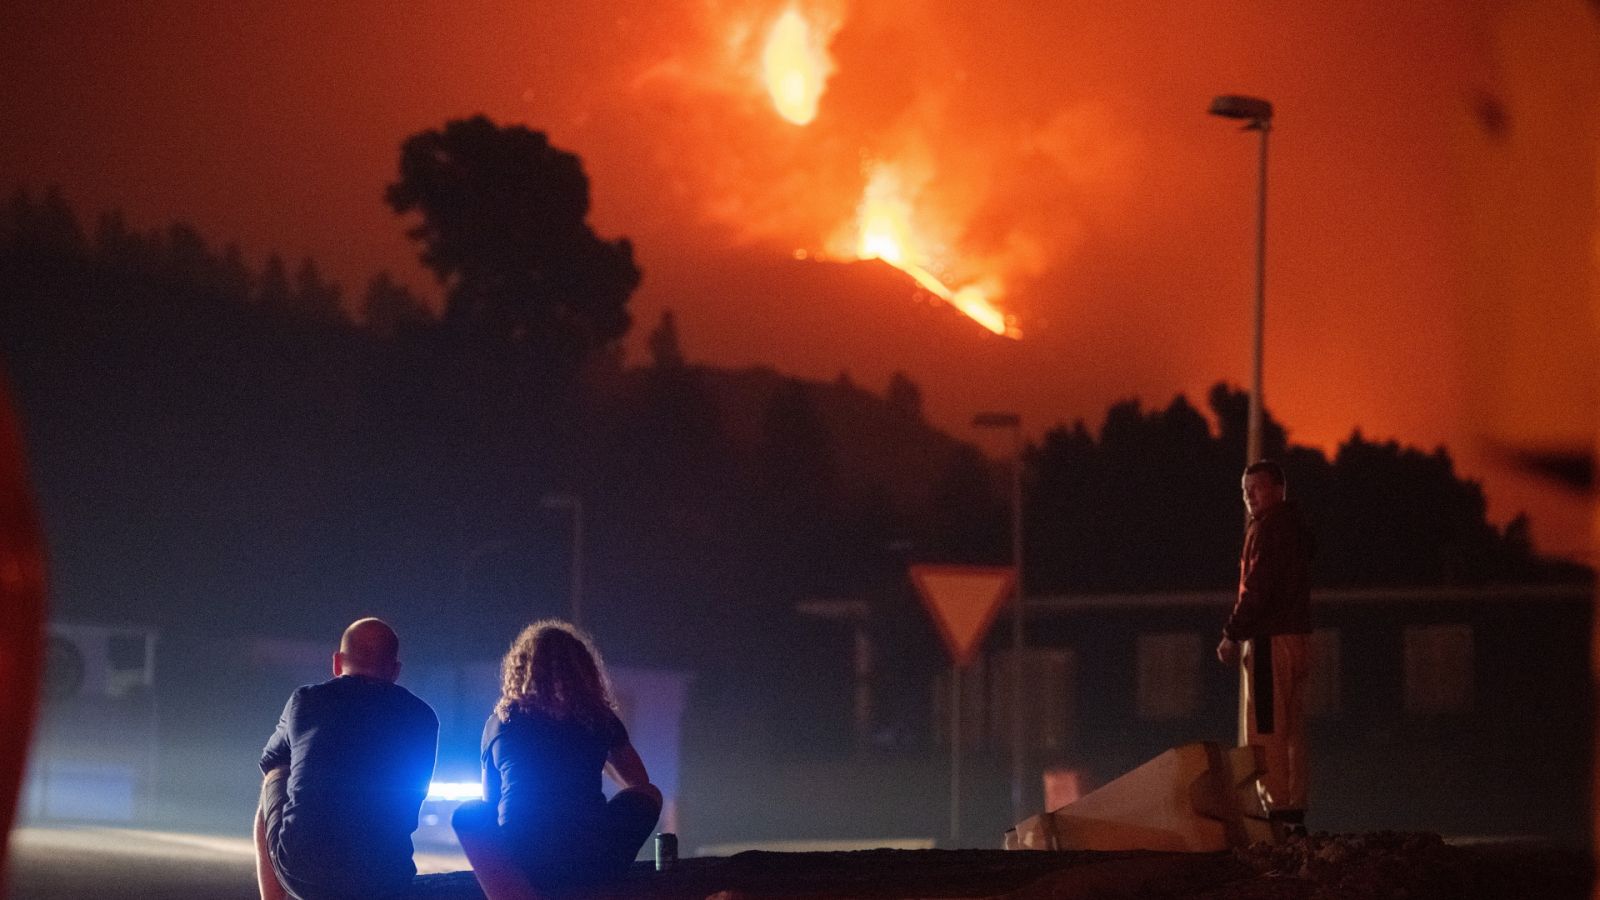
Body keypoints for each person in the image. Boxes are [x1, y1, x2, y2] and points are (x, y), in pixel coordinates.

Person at [452, 620, 661, 895]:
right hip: (588, 855)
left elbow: (491, 803)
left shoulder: (499, 723)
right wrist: (599, 750)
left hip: (522, 858)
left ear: (520, 670)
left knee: (474, 813)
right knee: (651, 795)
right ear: (583, 671)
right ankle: (608, 878)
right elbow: (638, 782)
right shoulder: (598, 719)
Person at [254, 618, 439, 900]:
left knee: (276, 772)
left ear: (337, 663)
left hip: (304, 875)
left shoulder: (306, 700)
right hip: (386, 879)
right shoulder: (424, 717)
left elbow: (271, 762)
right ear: (395, 671)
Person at [1216, 460, 1313, 837]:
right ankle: (1293, 807)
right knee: (1292, 729)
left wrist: (1231, 634)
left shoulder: (1268, 530)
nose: (1249, 497)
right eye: (1245, 491)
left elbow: (1257, 590)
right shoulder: (1296, 528)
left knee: (1266, 727)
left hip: (1270, 641)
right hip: (1298, 638)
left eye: (1255, 489)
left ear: (1278, 489)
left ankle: (1276, 810)